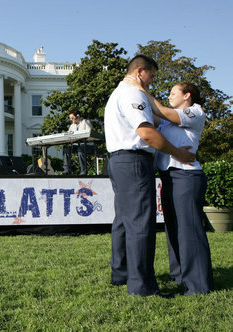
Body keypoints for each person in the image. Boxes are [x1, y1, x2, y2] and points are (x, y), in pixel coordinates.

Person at [104, 55, 196, 297]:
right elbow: (147, 133)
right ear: (140, 72)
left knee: (124, 219)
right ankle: (142, 285)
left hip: (118, 160)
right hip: (134, 161)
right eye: (152, 76)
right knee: (141, 223)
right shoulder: (133, 94)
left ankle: (121, 273)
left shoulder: (118, 94)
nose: (152, 82)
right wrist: (178, 153)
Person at [133, 81, 213, 295]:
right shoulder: (170, 120)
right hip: (169, 177)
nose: (169, 96)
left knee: (189, 230)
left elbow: (162, 111)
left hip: (187, 177)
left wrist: (142, 90)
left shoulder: (195, 112)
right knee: (174, 229)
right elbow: (151, 117)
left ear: (187, 96)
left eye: (173, 93)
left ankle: (198, 286)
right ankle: (180, 278)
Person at [63, 109, 94, 175]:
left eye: (72, 118)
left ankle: (84, 171)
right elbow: (68, 136)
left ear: (77, 116)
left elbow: (90, 134)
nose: (71, 119)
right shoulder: (72, 126)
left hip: (88, 145)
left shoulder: (85, 122)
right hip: (77, 145)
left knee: (80, 150)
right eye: (70, 118)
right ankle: (67, 171)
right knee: (67, 149)